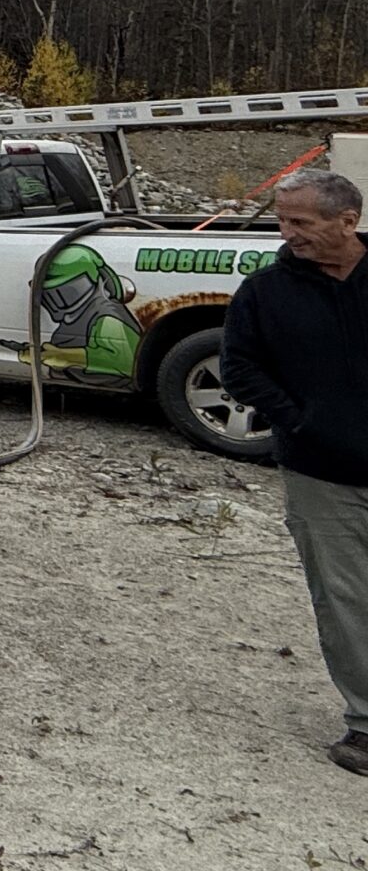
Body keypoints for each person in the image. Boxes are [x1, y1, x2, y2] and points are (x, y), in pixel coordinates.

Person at [220, 167, 368, 777]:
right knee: (346, 599)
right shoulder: (266, 291)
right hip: (320, 471)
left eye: (300, 223)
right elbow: (239, 368)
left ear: (348, 220)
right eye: (282, 221)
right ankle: (365, 724)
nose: (288, 234)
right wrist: (299, 421)